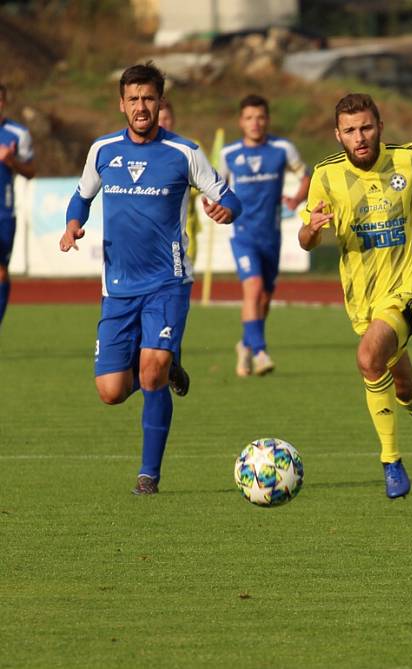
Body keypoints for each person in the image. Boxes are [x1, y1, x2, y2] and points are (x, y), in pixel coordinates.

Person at [59, 62, 241, 495]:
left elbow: (230, 198)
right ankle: (164, 363)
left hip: (167, 281)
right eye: (134, 99)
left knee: (151, 373)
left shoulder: (185, 153)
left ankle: (149, 475)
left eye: (149, 99)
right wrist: (71, 224)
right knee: (110, 391)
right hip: (117, 287)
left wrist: (225, 209)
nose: (142, 107)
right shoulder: (102, 150)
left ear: (161, 103)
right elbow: (81, 197)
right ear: (122, 104)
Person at [299, 93, 412, 499]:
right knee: (402, 386)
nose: (360, 137)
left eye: (366, 127)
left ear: (380, 127)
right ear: (338, 135)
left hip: (408, 286)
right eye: (350, 130)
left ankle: (390, 460)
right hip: (363, 298)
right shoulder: (326, 176)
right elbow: (305, 240)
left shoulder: (407, 158)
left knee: (369, 358)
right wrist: (313, 229)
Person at [219, 94, 310, 377]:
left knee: (265, 299)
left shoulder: (282, 148)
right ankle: (259, 352)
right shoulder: (229, 154)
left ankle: (245, 344)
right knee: (253, 287)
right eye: (248, 118)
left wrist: (296, 199)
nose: (254, 123)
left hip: (271, 236)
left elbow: (307, 175)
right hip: (243, 234)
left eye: (260, 117)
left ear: (267, 120)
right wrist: (214, 204)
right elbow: (216, 187)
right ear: (240, 122)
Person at [0, 83, 36, 330]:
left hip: (3, 213)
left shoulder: (17, 133)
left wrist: (10, 160)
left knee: (1, 272)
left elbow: (31, 171)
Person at [157, 100, 202, 264]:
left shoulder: (189, 148)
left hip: (183, 227)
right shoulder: (143, 150)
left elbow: (203, 183)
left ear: (173, 120)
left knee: (181, 281)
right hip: (153, 230)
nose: (162, 123)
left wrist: (178, 187)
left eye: (166, 118)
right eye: (158, 118)